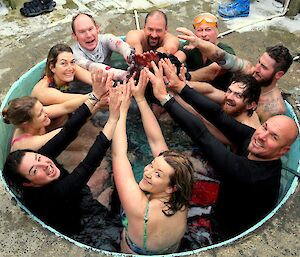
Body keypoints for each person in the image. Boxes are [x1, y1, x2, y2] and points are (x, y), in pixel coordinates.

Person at [145, 59, 298, 239]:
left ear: (283, 151)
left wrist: (165, 99)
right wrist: (180, 86)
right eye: (265, 127)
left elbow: (202, 135)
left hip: (225, 232)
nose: (262, 136)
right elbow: (217, 115)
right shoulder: (253, 136)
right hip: (223, 201)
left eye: (274, 137)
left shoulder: (250, 174)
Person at [3, 70, 122, 240]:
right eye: (35, 171)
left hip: (78, 198)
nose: (45, 165)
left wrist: (94, 96)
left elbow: (68, 132)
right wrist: (115, 118)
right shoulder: (50, 195)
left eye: (38, 158)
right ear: (28, 184)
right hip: (82, 226)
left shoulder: (36, 158)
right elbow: (88, 164)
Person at [111, 75, 194, 254]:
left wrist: (120, 111)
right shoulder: (183, 194)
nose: (147, 172)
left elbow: (119, 155)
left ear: (172, 187)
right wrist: (140, 99)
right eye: (152, 165)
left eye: (157, 174)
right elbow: (156, 141)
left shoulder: (139, 208)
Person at [177, 27, 294, 123]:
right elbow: (223, 57)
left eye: (263, 67)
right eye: (259, 62)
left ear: (278, 75)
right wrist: (199, 43)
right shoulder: (250, 71)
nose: (257, 68)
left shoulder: (273, 109)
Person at [2, 70, 108, 152]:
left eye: (43, 109)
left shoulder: (36, 116)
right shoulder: (25, 144)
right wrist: (97, 104)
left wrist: (94, 95)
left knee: (93, 136)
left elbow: (65, 107)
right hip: (47, 156)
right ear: (26, 123)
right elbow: (67, 130)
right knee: (89, 148)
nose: (46, 113)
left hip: (55, 139)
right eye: (40, 114)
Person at [175, 13, 235, 91]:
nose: (204, 34)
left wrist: (186, 77)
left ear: (217, 31)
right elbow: (178, 57)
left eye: (208, 29)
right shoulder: (190, 45)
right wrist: (170, 64)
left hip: (218, 95)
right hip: (192, 90)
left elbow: (212, 72)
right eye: (199, 30)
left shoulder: (227, 51)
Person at [71, 12, 135, 81]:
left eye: (90, 29)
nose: (88, 35)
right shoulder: (74, 55)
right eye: (82, 32)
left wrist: (130, 56)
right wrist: (122, 75)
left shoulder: (105, 40)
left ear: (97, 28)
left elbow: (120, 45)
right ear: (74, 36)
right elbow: (93, 67)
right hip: (83, 89)